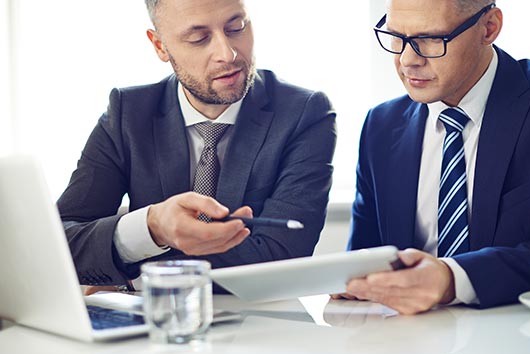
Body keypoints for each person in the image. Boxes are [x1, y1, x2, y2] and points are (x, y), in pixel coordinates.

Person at [340, 0, 530, 314]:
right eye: (397, 37)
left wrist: (452, 279)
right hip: (407, 346)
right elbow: (363, 258)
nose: (408, 60)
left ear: (488, 27)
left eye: (431, 39)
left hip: (524, 340)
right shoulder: (381, 125)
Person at [57, 0, 336, 289]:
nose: (227, 54)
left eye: (236, 27)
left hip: (261, 325)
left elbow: (282, 258)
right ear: (160, 46)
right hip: (153, 328)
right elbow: (60, 243)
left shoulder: (305, 113)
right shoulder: (127, 114)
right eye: (198, 38)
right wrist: (153, 226)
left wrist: (136, 265)